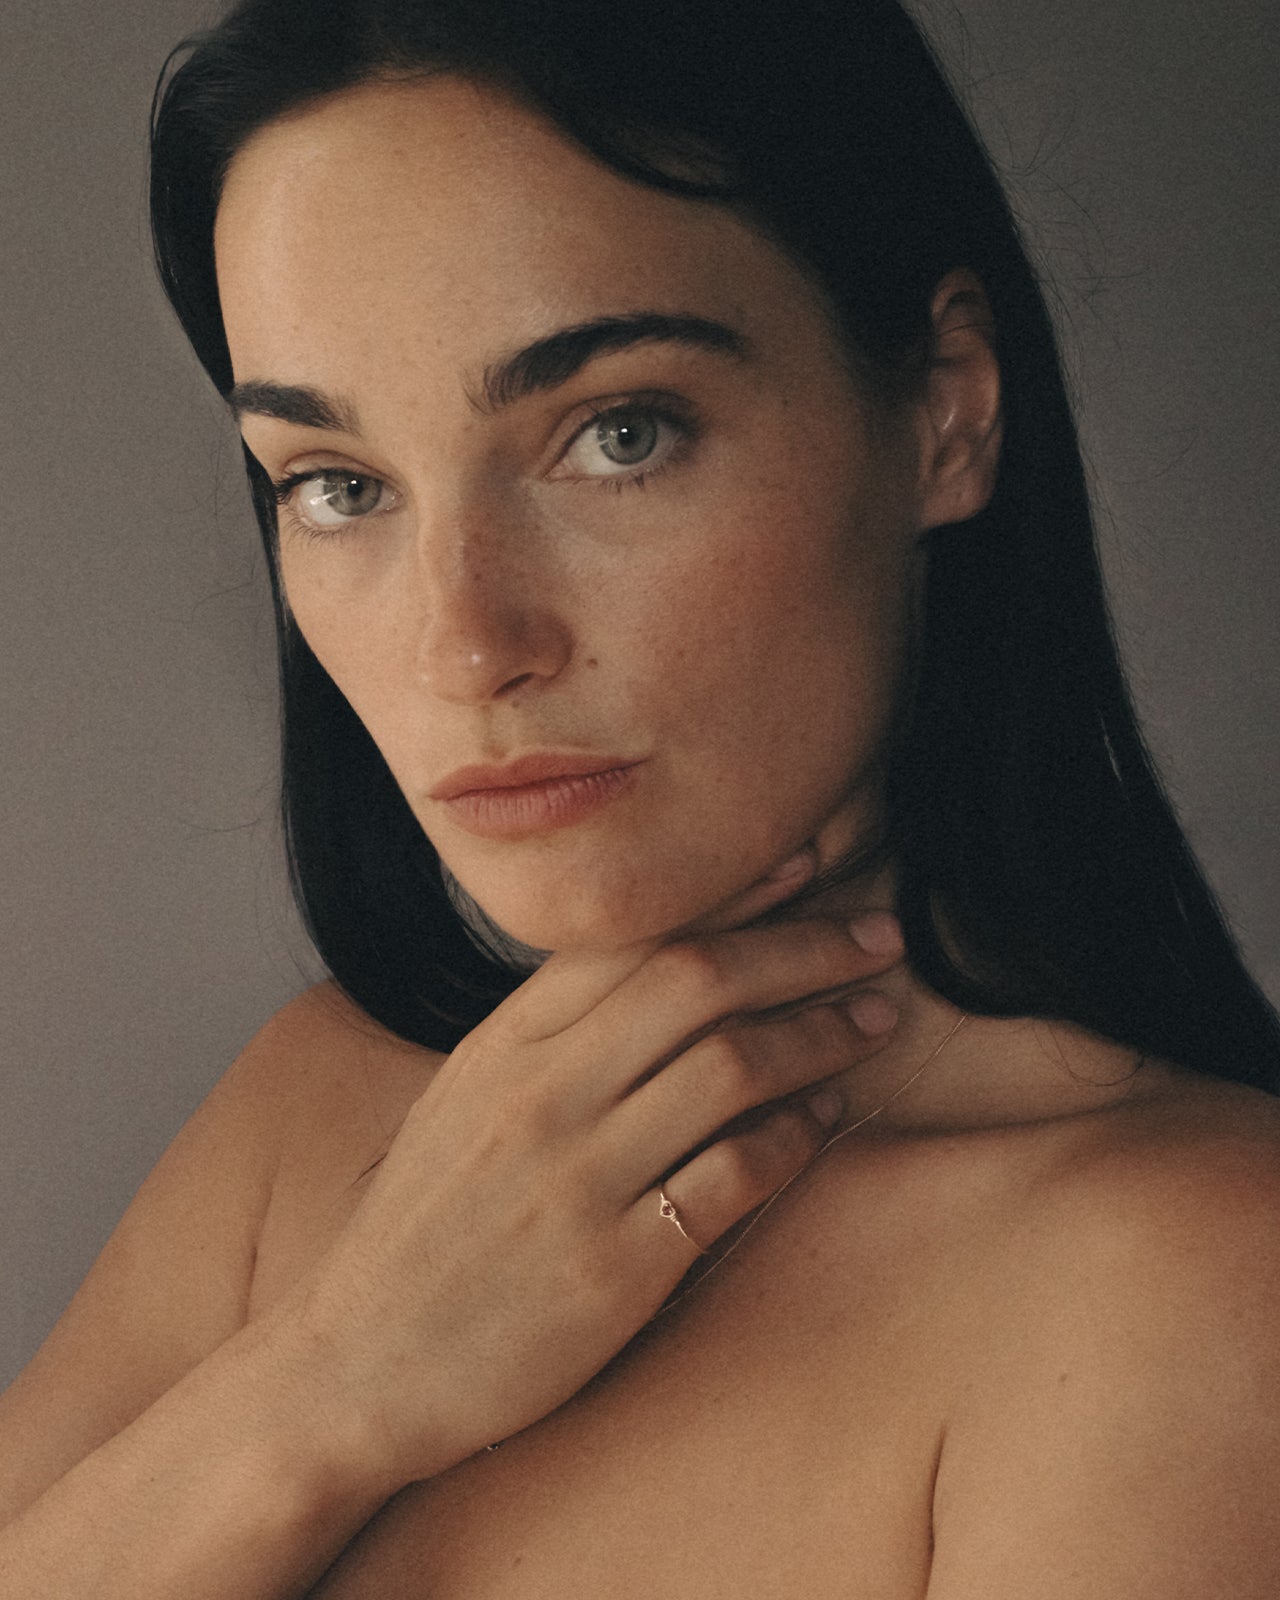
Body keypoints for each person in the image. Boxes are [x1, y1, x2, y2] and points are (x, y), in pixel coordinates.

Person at [2, 0, 1278, 1592]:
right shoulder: (312, 1114)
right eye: (340, 484)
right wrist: (336, 1380)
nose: (468, 646)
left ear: (946, 406)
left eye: (619, 435)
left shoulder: (1196, 1280)